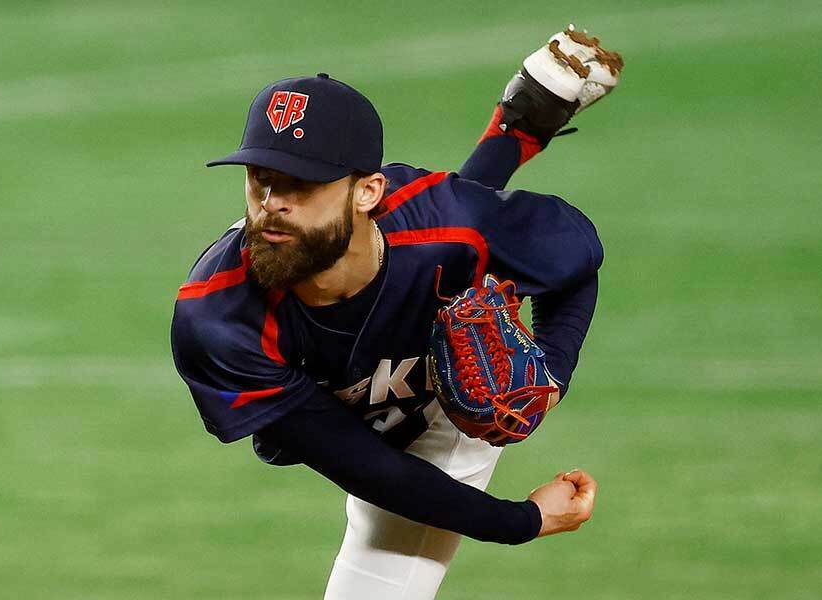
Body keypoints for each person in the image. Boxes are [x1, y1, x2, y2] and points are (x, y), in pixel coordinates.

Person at [172, 27, 620, 600]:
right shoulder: (216, 315)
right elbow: (368, 467)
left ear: (366, 192)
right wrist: (521, 521)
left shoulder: (455, 223)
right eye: (261, 179)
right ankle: (520, 123)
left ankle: (518, 127)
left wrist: (551, 373)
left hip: (444, 395)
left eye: (301, 184)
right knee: (425, 250)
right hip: (346, 407)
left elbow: (577, 263)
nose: (272, 205)